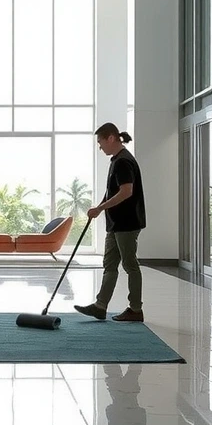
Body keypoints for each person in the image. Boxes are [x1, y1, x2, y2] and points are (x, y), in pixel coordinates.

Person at [75, 123, 147, 322]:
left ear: (111, 138)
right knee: (109, 265)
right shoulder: (116, 160)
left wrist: (100, 208)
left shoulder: (123, 161)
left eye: (100, 142)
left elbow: (126, 192)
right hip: (116, 223)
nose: (100, 147)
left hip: (127, 223)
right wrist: (99, 208)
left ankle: (135, 309)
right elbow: (112, 191)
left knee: (130, 265)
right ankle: (100, 306)